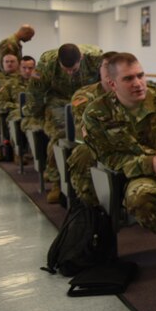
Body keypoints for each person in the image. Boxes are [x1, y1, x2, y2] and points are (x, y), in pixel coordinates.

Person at [83, 53, 156, 235]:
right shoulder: (97, 113)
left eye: (140, 75)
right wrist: (150, 164)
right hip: (139, 175)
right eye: (128, 78)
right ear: (112, 84)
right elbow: (108, 158)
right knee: (140, 198)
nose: (138, 83)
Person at [25, 44, 102, 203]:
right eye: (65, 69)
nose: (69, 73)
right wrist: (37, 116)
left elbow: (107, 81)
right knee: (59, 134)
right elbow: (35, 91)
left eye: (73, 70)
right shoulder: (47, 63)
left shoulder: (96, 58)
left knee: (90, 135)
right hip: (59, 100)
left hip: (86, 99)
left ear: (81, 58)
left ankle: (90, 178)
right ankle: (56, 181)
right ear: (58, 61)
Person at [66, 52, 117, 206]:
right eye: (107, 67)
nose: (110, 72)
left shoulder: (132, 92)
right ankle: (89, 207)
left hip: (125, 144)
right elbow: (88, 129)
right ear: (99, 69)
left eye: (116, 67)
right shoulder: (84, 95)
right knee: (84, 153)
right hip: (94, 144)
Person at [0, 55, 36, 164]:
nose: (27, 71)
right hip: (18, 114)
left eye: (30, 68)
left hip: (36, 114)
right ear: (19, 68)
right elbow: (0, 102)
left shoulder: (40, 84)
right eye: (24, 68)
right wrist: (17, 107)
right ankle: (18, 153)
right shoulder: (10, 84)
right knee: (16, 120)